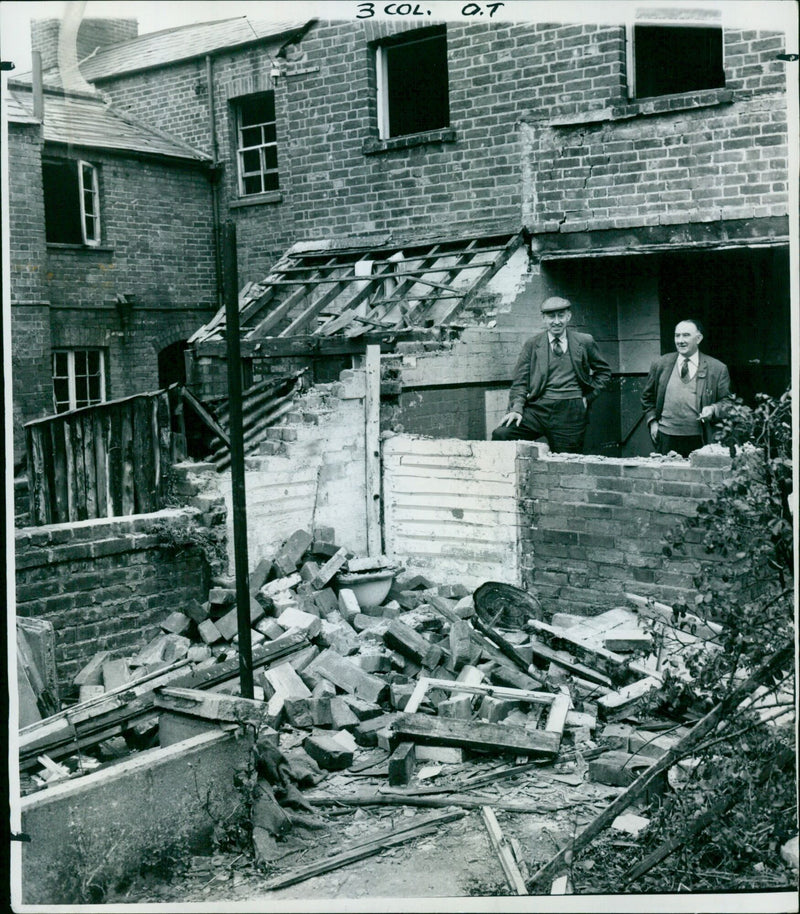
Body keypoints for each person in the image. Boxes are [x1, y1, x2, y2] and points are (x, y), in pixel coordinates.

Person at [491, 296, 612, 453]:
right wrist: (516, 409)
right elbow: (520, 381)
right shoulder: (533, 344)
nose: (556, 321)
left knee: (566, 461)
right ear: (543, 319)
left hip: (570, 410)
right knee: (502, 434)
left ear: (568, 316)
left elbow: (604, 372)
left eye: (561, 316)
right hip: (538, 408)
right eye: (551, 316)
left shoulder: (585, 341)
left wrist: (588, 397)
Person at [641, 318, 732, 458]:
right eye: (677, 335)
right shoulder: (660, 364)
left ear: (699, 338)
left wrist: (713, 409)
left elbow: (727, 402)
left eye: (686, 335)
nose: (680, 340)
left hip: (700, 438)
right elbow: (647, 398)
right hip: (666, 437)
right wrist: (652, 422)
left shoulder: (717, 369)